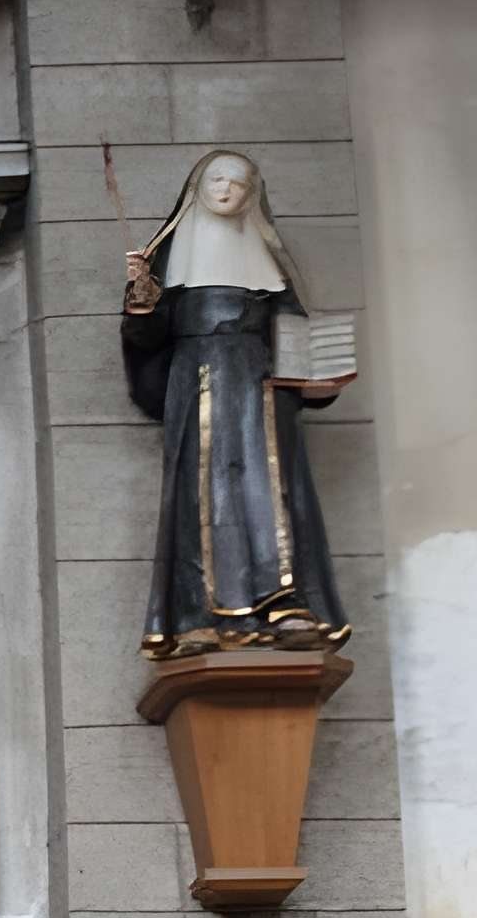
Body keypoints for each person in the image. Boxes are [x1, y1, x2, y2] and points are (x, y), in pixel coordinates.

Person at [120, 152, 355, 659]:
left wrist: (319, 374)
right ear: (197, 188)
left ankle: (282, 603)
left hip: (262, 391)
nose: (227, 189)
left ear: (252, 194)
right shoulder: (169, 257)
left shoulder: (268, 262)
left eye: (239, 182)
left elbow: (293, 331)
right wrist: (141, 299)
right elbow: (148, 336)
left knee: (268, 489)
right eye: (217, 179)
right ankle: (196, 615)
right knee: (202, 492)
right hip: (198, 378)